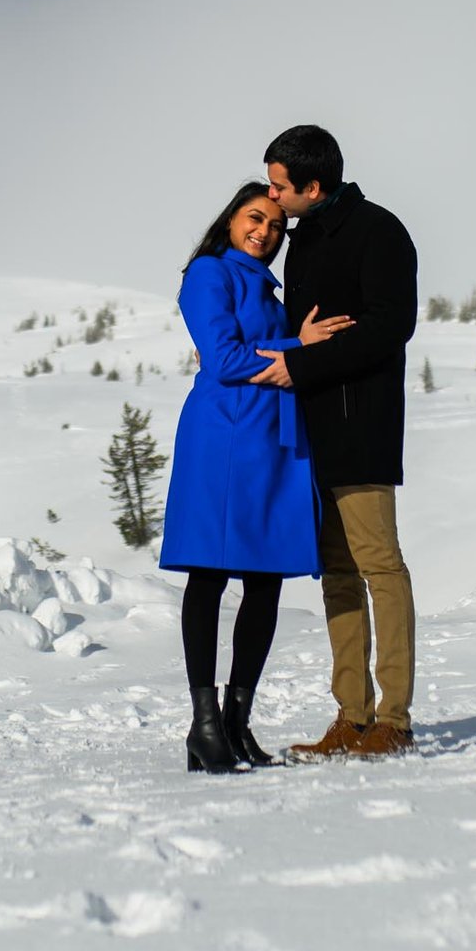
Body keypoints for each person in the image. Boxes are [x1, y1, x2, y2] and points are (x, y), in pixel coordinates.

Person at [160, 182, 354, 773]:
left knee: (266, 581)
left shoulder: (270, 290)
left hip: (271, 437)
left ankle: (239, 723)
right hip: (224, 438)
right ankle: (204, 724)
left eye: (274, 225)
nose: (265, 232)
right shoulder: (208, 275)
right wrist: (299, 346)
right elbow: (224, 359)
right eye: (255, 218)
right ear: (230, 220)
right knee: (212, 574)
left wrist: (288, 352)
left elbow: (255, 355)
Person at [249, 125, 421, 759]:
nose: (272, 195)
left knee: (380, 567)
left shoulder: (380, 230)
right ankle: (352, 718)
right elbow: (305, 331)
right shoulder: (305, 241)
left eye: (279, 185)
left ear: (313, 186)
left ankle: (394, 721)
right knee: (338, 575)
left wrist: (305, 366)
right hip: (312, 429)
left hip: (365, 426)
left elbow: (390, 326)